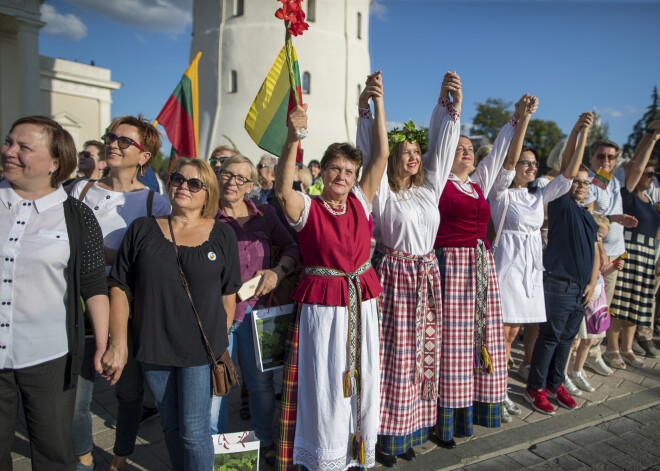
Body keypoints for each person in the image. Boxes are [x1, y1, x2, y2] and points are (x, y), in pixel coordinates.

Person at [275, 72, 388, 470]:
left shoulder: (360, 201)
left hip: (362, 303)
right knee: (326, 384)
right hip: (325, 311)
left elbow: (381, 157)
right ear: (322, 171)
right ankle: (326, 457)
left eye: (348, 172)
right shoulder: (309, 208)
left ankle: (357, 452)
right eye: (335, 169)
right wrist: (293, 138)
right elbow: (281, 189)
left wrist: (377, 104)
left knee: (365, 377)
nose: (342, 177)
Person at [107, 158, 242, 470]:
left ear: (208, 193)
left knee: (194, 432)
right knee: (169, 425)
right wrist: (119, 343)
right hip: (153, 346)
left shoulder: (222, 235)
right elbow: (119, 285)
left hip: (200, 350)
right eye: (178, 179)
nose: (183, 186)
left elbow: (228, 294)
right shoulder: (142, 228)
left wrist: (218, 341)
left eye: (194, 183)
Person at [356, 71, 462, 466]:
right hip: (395, 277)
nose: (414, 155)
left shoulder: (427, 189)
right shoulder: (383, 190)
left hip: (427, 277)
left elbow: (445, 146)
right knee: (394, 359)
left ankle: (410, 430)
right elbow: (371, 152)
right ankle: (384, 436)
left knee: (423, 356)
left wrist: (448, 104)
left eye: (417, 150)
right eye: (407, 150)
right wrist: (373, 105)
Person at [0, 116, 109, 470]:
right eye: (8, 142)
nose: (9, 151)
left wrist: (105, 344)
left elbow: (93, 284)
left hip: (49, 358)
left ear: (54, 163)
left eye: (23, 147)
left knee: (53, 454)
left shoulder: (76, 216)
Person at [432, 93, 534, 447]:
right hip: (452, 267)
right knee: (452, 344)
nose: (466, 151)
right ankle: (443, 419)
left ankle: (471, 412)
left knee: (480, 338)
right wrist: (452, 109)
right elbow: (444, 141)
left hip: (481, 266)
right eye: (459, 147)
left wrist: (518, 120)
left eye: (470, 147)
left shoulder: (477, 183)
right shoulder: (436, 182)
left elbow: (501, 156)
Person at [70, 115, 171, 471]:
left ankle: (120, 456)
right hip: (78, 303)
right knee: (77, 396)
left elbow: (158, 262)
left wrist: (107, 255)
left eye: (124, 141)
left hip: (125, 307)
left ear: (144, 157)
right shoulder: (78, 190)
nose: (113, 144)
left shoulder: (155, 204)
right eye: (111, 137)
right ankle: (83, 456)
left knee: (128, 393)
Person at [490, 112, 591, 420]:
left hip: (531, 270)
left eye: (534, 164)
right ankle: (497, 393)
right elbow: (508, 162)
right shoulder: (500, 192)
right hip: (508, 265)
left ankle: (502, 390)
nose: (532, 167)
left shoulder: (538, 196)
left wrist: (579, 131)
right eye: (526, 163)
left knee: (515, 333)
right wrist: (523, 122)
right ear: (514, 165)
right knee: (502, 335)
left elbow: (569, 173)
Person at [211, 154, 299, 465]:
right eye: (226, 174)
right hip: (218, 315)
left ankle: (264, 440)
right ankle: (219, 452)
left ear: (251, 185)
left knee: (260, 381)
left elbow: (291, 248)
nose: (231, 182)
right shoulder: (207, 215)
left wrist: (277, 271)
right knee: (217, 384)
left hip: (258, 312)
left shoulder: (264, 214)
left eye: (240, 178)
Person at [524, 149, 599, 416]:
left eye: (585, 182)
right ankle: (535, 388)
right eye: (576, 181)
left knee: (566, 340)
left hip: (581, 289)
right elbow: (568, 167)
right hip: (559, 285)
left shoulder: (588, 215)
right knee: (550, 338)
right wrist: (581, 134)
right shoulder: (561, 203)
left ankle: (555, 383)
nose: (580, 186)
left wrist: (591, 283)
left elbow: (595, 253)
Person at [585, 129, 658, 375]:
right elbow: (589, 217)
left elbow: (637, 167)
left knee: (605, 309)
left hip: (616, 255)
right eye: (601, 156)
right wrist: (613, 217)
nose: (606, 161)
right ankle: (583, 356)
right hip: (597, 256)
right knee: (592, 308)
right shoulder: (592, 181)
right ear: (591, 157)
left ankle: (594, 352)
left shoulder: (609, 179)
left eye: (611, 157)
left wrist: (652, 137)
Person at [608, 151, 660, 368]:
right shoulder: (626, 195)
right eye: (648, 173)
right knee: (619, 305)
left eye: (653, 174)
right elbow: (637, 166)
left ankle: (627, 348)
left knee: (636, 305)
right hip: (629, 252)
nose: (652, 177)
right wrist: (652, 136)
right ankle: (612, 348)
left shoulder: (651, 200)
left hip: (647, 255)